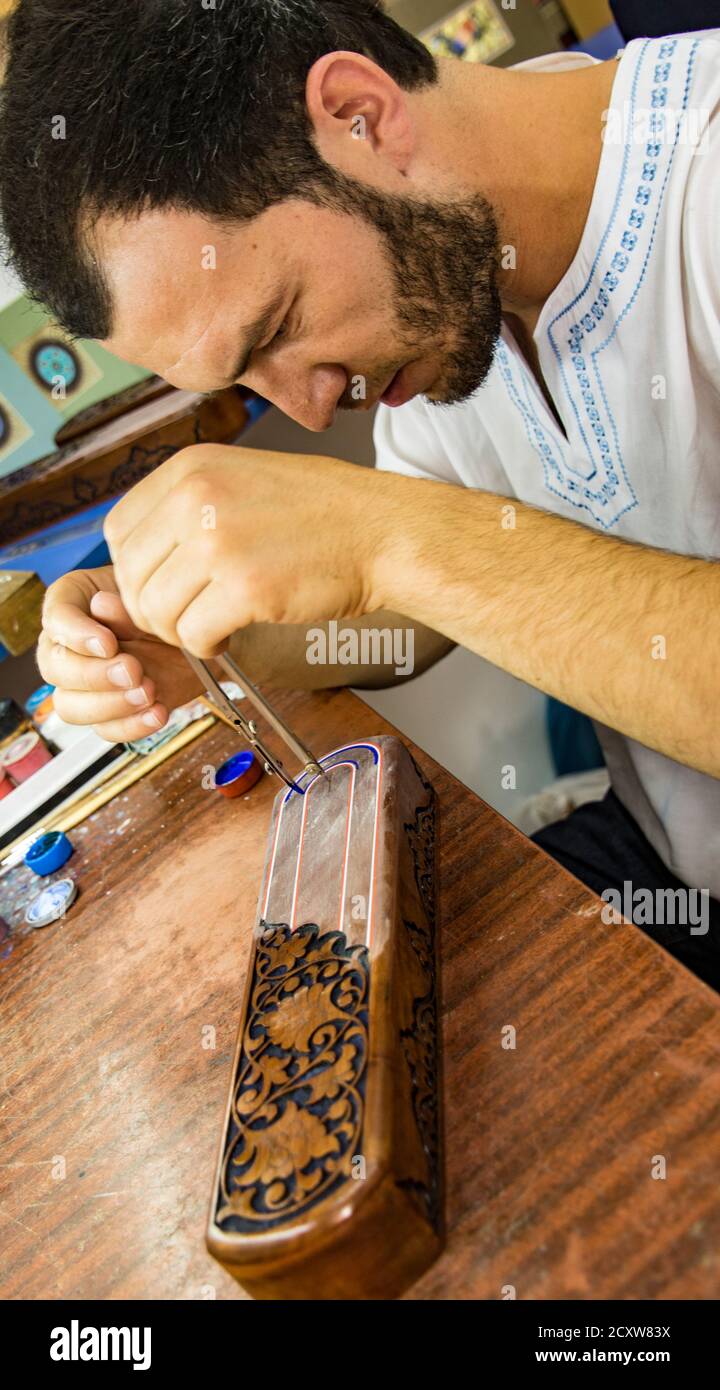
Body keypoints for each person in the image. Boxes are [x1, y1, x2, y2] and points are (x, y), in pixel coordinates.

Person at [1, 4, 718, 985]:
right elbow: (415, 615)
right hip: (669, 868)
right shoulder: (452, 286)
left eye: (276, 328)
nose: (303, 408)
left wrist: (384, 536)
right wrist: (202, 638)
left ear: (359, 114)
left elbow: (420, 556)